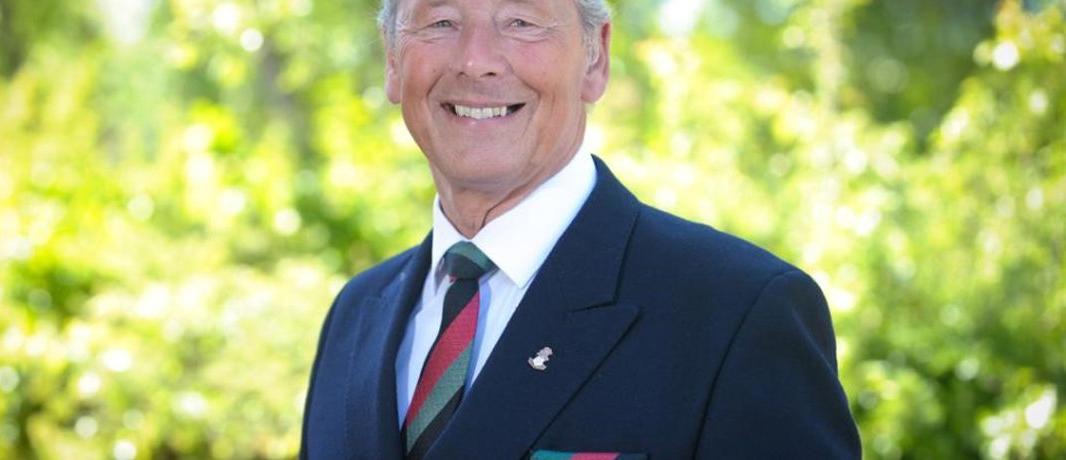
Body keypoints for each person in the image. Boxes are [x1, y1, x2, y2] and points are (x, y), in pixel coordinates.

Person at [299, 0, 862, 458]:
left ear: (596, 58)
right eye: (441, 21)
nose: (476, 60)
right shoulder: (355, 315)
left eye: (521, 21)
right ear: (392, 60)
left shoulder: (738, 313)